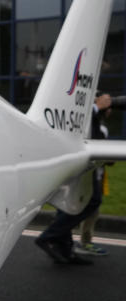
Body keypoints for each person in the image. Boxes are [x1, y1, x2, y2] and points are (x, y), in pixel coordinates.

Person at [36, 92, 124, 265]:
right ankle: (49, 237)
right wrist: (96, 109)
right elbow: (92, 139)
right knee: (91, 201)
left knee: (68, 207)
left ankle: (65, 251)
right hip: (81, 168)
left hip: (78, 167)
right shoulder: (86, 117)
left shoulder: (94, 117)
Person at [74, 93, 125, 257]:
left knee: (88, 209)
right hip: (88, 176)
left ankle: (65, 240)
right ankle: (83, 242)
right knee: (90, 209)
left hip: (95, 175)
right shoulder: (95, 127)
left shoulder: (99, 126)